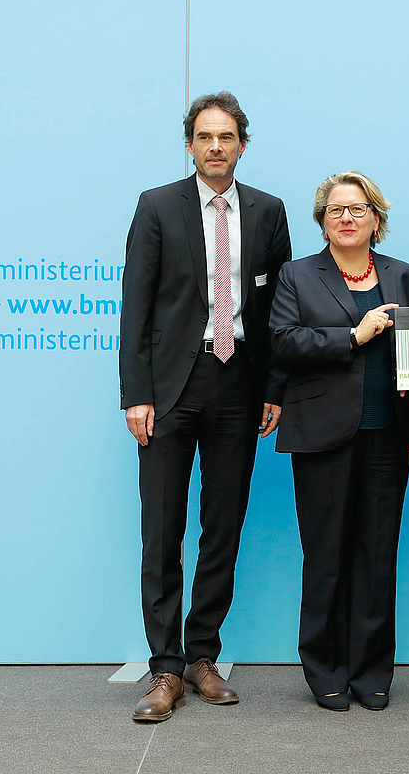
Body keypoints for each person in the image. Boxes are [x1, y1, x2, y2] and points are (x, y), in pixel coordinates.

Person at [119, 91, 291, 722]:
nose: (216, 147)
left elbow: (279, 310)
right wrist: (136, 393)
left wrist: (274, 387)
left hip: (239, 382)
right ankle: (164, 667)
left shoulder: (269, 211)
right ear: (189, 144)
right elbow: (136, 305)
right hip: (170, 387)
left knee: (223, 525)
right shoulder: (157, 205)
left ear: (242, 144)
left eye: (226, 137)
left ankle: (202, 656)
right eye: (204, 137)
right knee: (163, 528)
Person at [269, 171, 409, 712]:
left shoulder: (403, 274)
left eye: (358, 209)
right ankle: (325, 669)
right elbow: (283, 341)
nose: (347, 218)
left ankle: (372, 671)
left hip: (389, 431)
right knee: (326, 556)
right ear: (322, 221)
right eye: (336, 210)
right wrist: (353, 336)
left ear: (376, 219)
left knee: (377, 555)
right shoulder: (297, 274)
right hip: (321, 434)